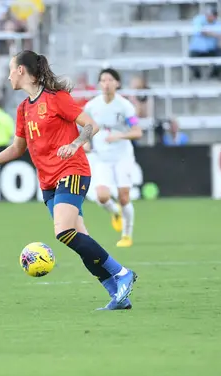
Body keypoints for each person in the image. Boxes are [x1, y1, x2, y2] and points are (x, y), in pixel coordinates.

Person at [0, 50, 137, 311]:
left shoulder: (57, 98)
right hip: (48, 182)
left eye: (11, 69)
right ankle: (117, 294)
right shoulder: (24, 108)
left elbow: (91, 125)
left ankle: (121, 272)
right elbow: (17, 148)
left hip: (72, 170)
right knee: (81, 239)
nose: (9, 75)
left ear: (22, 71)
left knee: (63, 232)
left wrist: (76, 143)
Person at [83, 68, 142, 248]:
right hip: (101, 157)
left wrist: (118, 136)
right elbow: (86, 128)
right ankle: (115, 212)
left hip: (122, 156)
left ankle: (126, 235)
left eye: (110, 80)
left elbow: (137, 131)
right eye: (103, 80)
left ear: (117, 83)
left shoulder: (125, 107)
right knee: (102, 196)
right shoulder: (92, 106)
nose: (106, 83)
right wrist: (85, 142)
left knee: (124, 197)